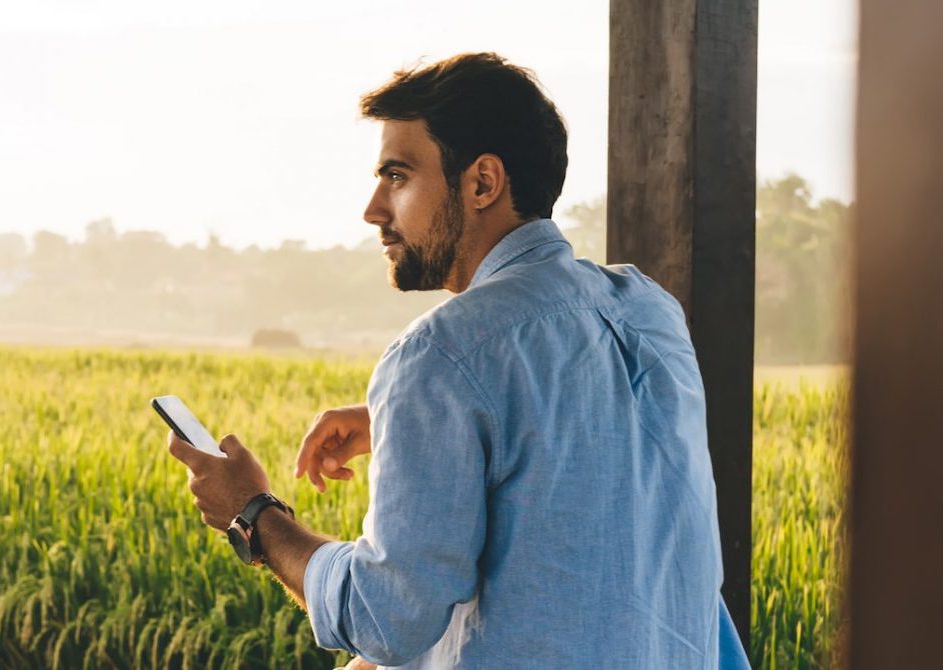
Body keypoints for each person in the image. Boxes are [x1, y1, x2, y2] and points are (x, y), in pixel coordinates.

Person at [165, 52, 750, 669]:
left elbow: (386, 618)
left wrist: (253, 515)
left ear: (482, 183)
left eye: (396, 176)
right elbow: (592, 480)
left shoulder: (440, 354)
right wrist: (423, 421)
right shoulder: (646, 309)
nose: (373, 209)